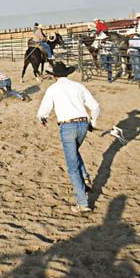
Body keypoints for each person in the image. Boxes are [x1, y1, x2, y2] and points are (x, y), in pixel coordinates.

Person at [36, 62, 100, 213]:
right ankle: (84, 176)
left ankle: (82, 203)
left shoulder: (53, 89)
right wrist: (93, 121)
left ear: (54, 76)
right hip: (83, 124)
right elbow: (95, 107)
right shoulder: (78, 86)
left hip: (67, 126)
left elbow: (42, 111)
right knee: (74, 152)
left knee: (72, 165)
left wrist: (42, 118)